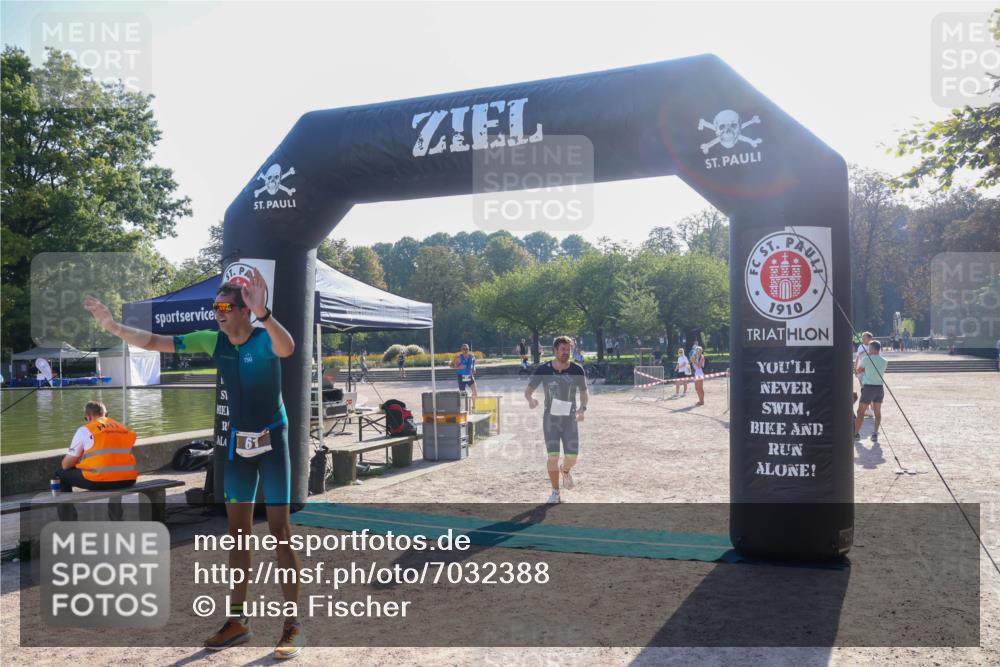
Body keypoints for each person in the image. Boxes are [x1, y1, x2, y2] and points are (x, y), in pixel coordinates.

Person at [84, 269, 305, 659]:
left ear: (243, 310)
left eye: (224, 307)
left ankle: (292, 624)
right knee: (237, 534)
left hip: (273, 442)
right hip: (238, 446)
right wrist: (113, 326)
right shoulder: (212, 340)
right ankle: (238, 621)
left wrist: (265, 314)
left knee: (279, 531)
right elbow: (154, 341)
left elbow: (288, 348)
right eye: (214, 307)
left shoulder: (263, 338)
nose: (217, 312)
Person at [524, 336, 588, 504]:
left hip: (570, 419)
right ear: (555, 350)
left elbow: (583, 392)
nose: (566, 353)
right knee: (553, 456)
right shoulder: (543, 369)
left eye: (569, 350)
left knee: (572, 458)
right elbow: (528, 391)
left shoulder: (577, 370)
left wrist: (582, 408)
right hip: (550, 419)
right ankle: (555, 492)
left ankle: (565, 470)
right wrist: (531, 401)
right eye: (563, 350)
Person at [56, 400, 136, 493]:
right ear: (106, 414)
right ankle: (114, 507)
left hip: (99, 481)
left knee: (60, 474)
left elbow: (66, 465)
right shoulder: (123, 428)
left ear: (88, 417)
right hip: (128, 480)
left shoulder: (85, 430)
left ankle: (67, 507)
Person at [853, 340, 888, 443]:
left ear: (873, 348)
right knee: (877, 412)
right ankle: (875, 434)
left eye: (869, 347)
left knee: (860, 412)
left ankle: (856, 433)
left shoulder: (866, 359)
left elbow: (858, 370)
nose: (868, 349)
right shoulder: (884, 361)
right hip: (879, 388)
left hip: (868, 388)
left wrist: (862, 366)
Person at [855, 331, 874, 417]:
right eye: (862, 337)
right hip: (861, 371)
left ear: (869, 338)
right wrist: (855, 369)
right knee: (864, 390)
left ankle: (872, 409)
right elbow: (858, 357)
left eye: (864, 337)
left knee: (870, 390)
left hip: (869, 371)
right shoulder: (860, 346)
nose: (862, 339)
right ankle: (867, 409)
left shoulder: (874, 346)